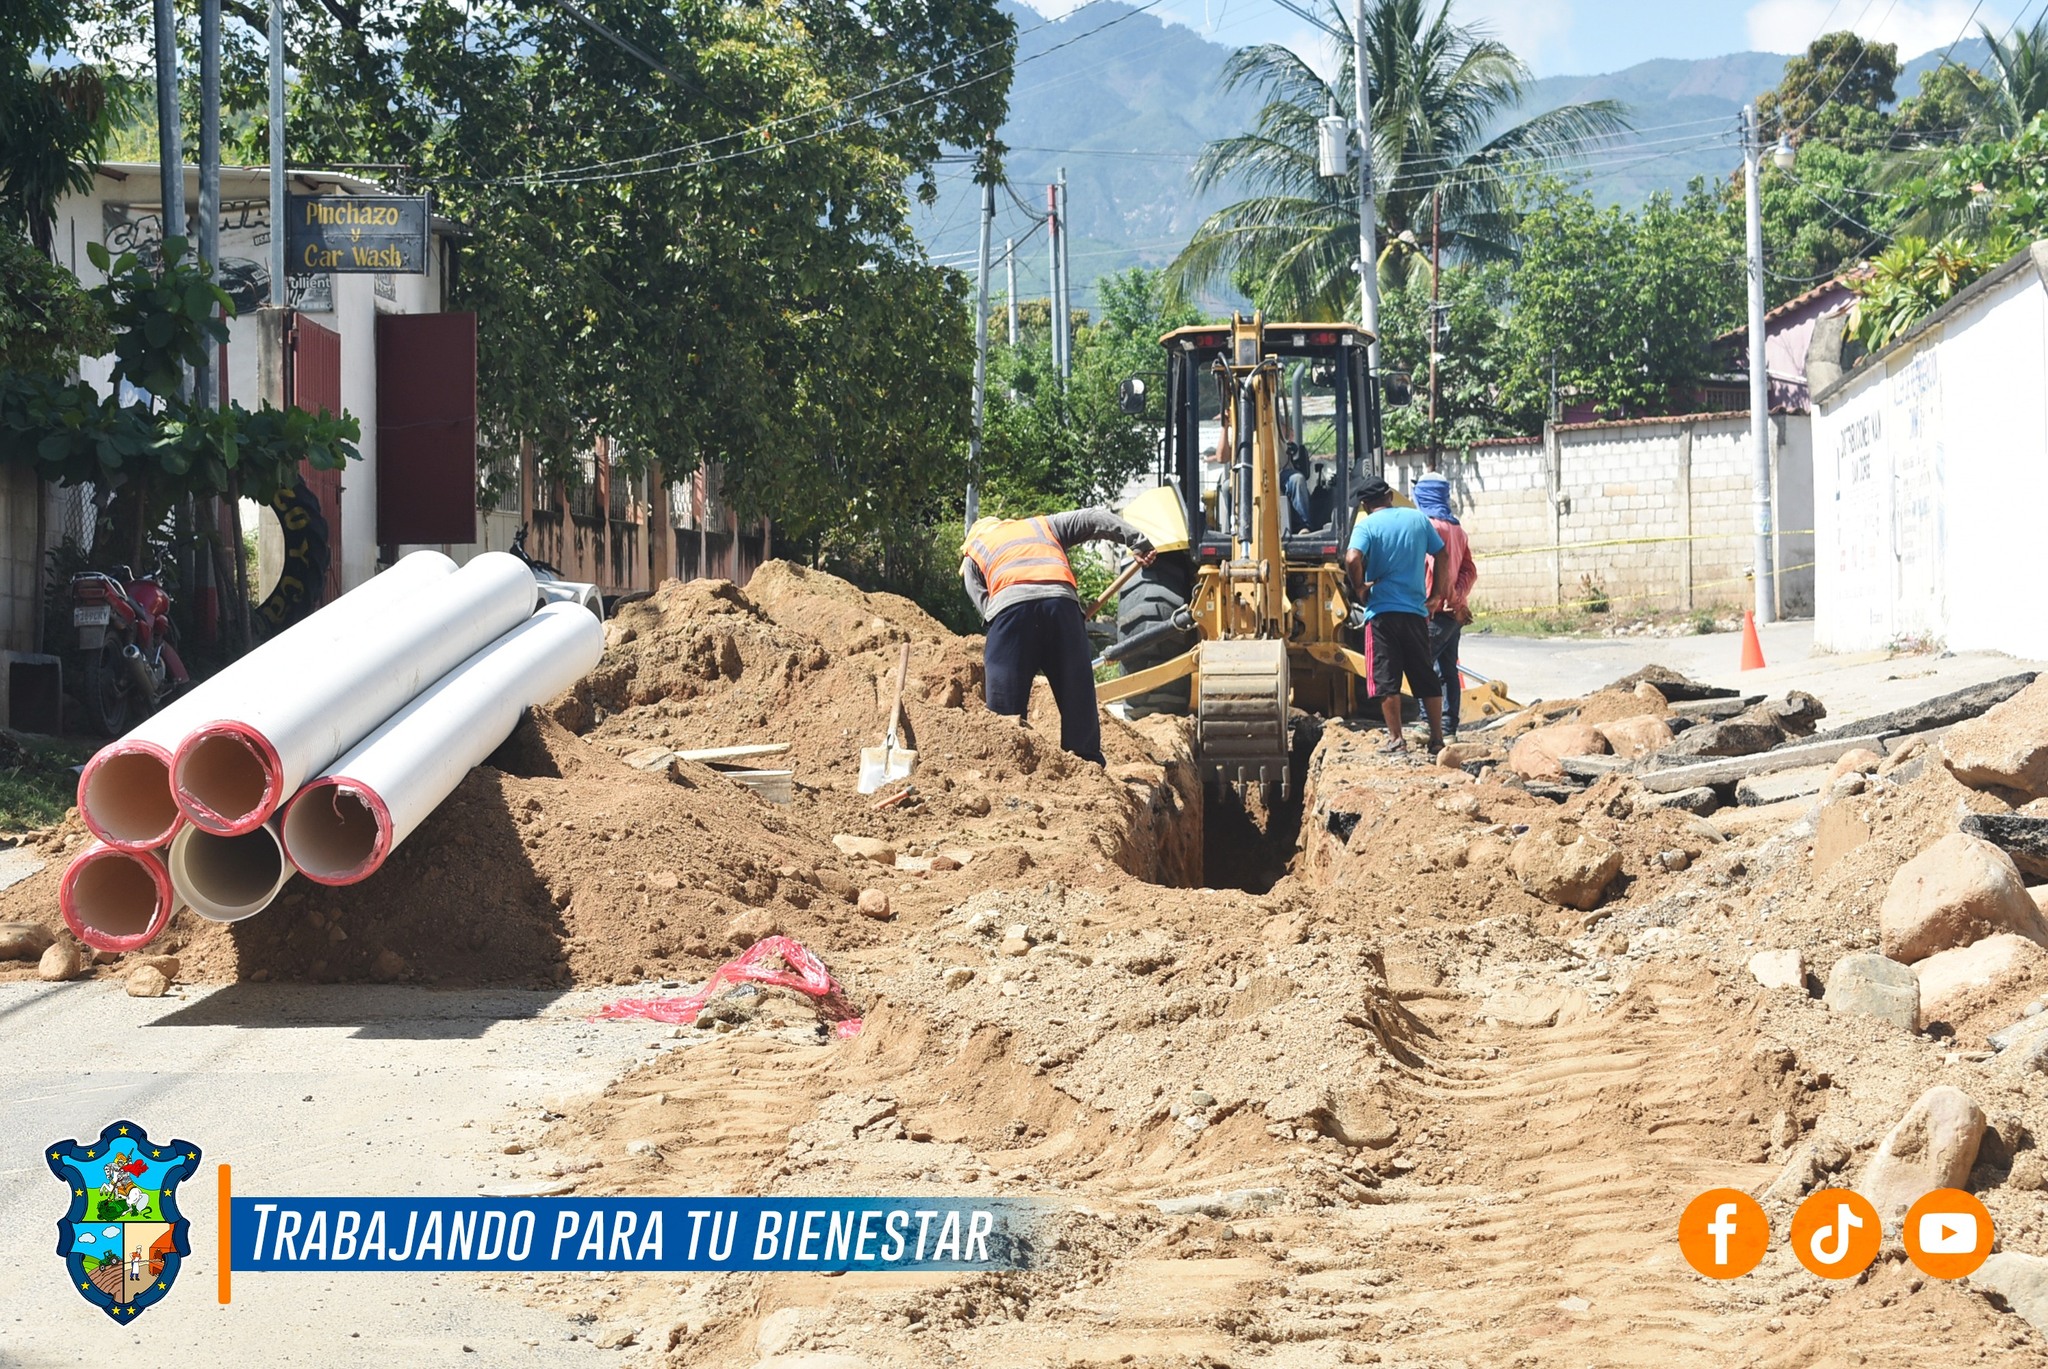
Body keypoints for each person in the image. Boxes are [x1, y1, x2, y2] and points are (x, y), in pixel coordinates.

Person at [962, 509, 1156, 765]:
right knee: (1077, 690)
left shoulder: (974, 552)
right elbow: (1093, 518)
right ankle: (1086, 764)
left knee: (1004, 709)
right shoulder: (1042, 526)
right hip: (1062, 605)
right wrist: (1137, 541)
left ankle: (1005, 764)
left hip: (1010, 612)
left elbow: (987, 607)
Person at [1343, 476, 1447, 755]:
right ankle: (1438, 740)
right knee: (1424, 675)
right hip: (1415, 612)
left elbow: (1352, 558)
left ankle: (1397, 740)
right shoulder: (1418, 519)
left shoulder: (1366, 526)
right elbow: (1442, 553)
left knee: (1386, 678)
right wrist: (1436, 594)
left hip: (1382, 614)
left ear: (1365, 505)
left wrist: (1359, 587)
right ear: (1389, 496)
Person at [1414, 472, 1478, 738]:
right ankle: (1449, 728)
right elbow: (1469, 570)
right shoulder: (1457, 529)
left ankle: (1427, 723)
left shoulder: (1427, 527)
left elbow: (1436, 570)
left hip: (1435, 611)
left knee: (1421, 664)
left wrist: (1448, 599)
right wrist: (1459, 600)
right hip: (1452, 614)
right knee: (1447, 669)